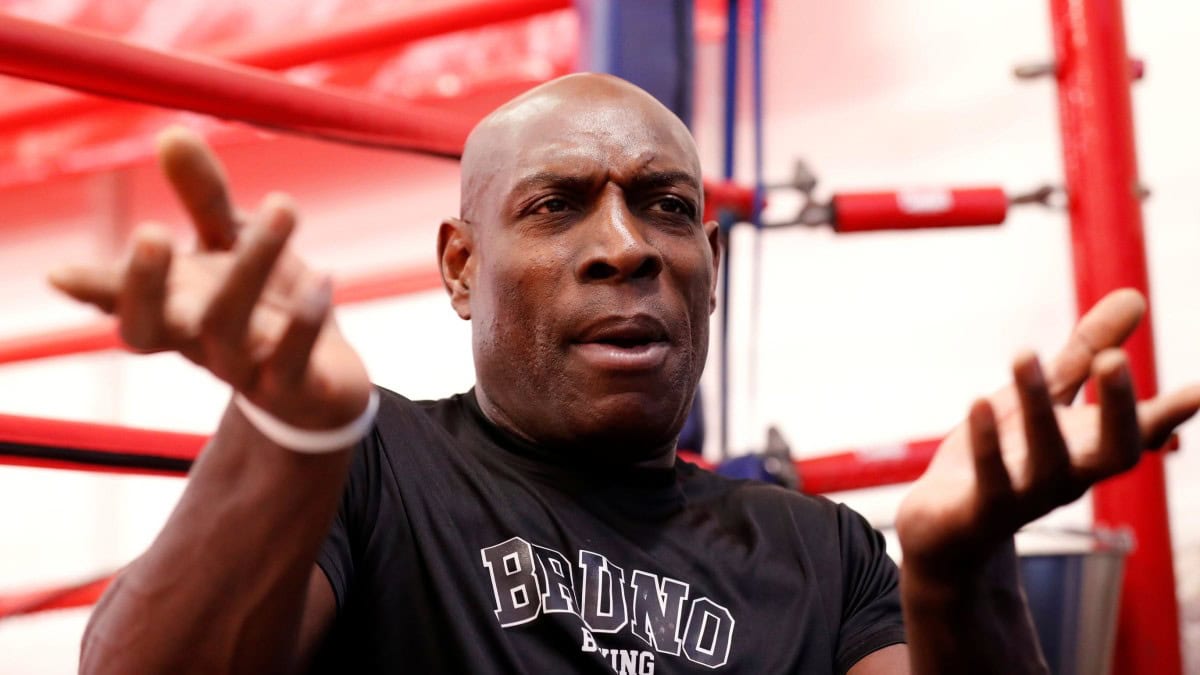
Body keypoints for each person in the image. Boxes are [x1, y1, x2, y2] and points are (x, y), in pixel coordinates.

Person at [51, 73, 1200, 674]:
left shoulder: (824, 556)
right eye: (556, 206)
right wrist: (286, 428)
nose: (627, 245)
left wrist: (957, 573)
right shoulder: (371, 470)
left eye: (668, 207)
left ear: (708, 263)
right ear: (463, 269)